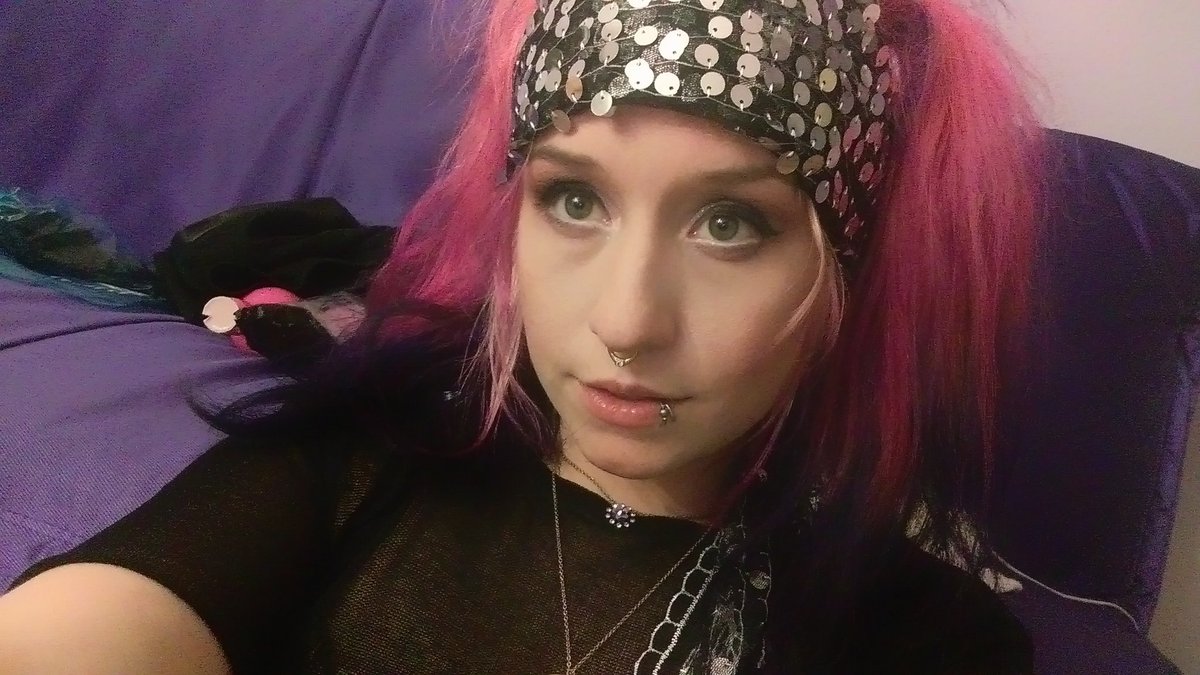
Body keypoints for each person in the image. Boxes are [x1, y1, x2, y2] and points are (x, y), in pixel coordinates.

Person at [0, 0, 1045, 672]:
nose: (625, 322)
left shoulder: (926, 636)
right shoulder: (358, 460)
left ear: (852, 271)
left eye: (731, 223)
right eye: (574, 201)